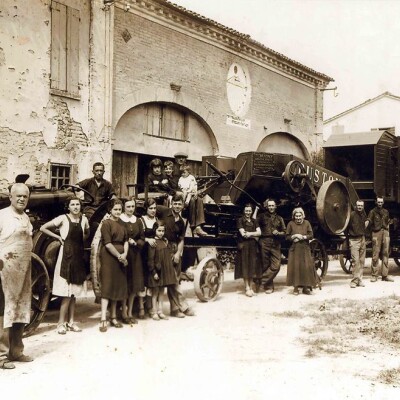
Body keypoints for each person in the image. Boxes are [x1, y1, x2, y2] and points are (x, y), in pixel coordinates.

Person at [40, 197, 90, 334]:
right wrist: (57, 238)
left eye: (78, 204)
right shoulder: (62, 218)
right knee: (66, 294)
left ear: (80, 206)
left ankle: (71, 322)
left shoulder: (84, 219)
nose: (75, 207)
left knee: (74, 294)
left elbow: (86, 233)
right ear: (68, 207)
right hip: (66, 258)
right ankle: (60, 324)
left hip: (78, 256)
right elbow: (43, 228)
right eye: (72, 205)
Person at [0, 183, 34, 370]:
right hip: (3, 273)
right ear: (10, 197)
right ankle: (1, 355)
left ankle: (16, 351)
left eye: (25, 196)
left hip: (23, 272)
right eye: (18, 196)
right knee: (4, 312)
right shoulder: (2, 216)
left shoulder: (26, 218)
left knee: (21, 310)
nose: (21, 199)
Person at [157, 194, 195, 318]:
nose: (177, 206)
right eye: (175, 203)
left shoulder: (181, 221)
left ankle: (174, 309)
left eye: (180, 204)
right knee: (172, 279)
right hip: (164, 247)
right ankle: (184, 306)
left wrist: (178, 253)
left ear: (183, 206)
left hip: (175, 249)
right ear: (171, 203)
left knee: (175, 279)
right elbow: (149, 208)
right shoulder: (163, 212)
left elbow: (181, 240)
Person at [98, 199, 129, 333]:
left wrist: (125, 254)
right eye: (115, 209)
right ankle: (103, 317)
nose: (118, 212)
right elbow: (108, 243)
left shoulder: (122, 224)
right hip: (110, 257)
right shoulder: (106, 224)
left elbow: (126, 241)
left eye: (119, 209)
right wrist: (119, 256)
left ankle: (114, 316)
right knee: (108, 286)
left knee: (117, 286)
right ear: (110, 210)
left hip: (121, 257)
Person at [120, 197, 145, 324]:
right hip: (123, 255)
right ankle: (123, 312)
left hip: (135, 255)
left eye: (132, 207)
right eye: (128, 206)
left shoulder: (138, 221)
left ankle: (130, 312)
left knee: (134, 285)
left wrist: (136, 242)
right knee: (125, 284)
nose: (130, 209)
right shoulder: (120, 220)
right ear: (124, 207)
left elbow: (142, 237)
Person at [147, 221, 178, 320]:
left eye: (163, 231)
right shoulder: (153, 243)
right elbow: (150, 259)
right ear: (155, 230)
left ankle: (160, 311)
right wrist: (154, 272)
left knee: (161, 291)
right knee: (155, 292)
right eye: (159, 231)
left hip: (164, 271)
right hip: (157, 271)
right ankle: (154, 311)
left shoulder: (165, 241)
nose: (161, 233)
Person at [172, 152, 207, 237]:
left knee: (198, 199)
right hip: (178, 194)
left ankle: (198, 226)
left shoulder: (187, 170)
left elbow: (193, 184)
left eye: (183, 158)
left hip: (188, 192)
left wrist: (194, 192)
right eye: (179, 158)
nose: (181, 159)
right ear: (176, 159)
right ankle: (193, 226)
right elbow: (174, 185)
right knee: (191, 200)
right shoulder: (173, 170)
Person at [256, 199, 286, 294]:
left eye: (273, 205)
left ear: (275, 206)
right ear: (267, 206)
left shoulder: (280, 218)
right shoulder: (261, 217)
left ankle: (260, 281)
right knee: (265, 265)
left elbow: (285, 232)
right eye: (269, 206)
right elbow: (254, 224)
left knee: (276, 265)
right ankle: (269, 287)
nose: (271, 207)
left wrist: (279, 232)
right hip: (264, 241)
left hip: (276, 243)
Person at [286, 207, 317, 295]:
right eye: (297, 216)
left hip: (305, 248)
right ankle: (295, 287)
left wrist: (302, 237)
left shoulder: (307, 223)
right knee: (296, 267)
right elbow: (287, 236)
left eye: (300, 216)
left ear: (303, 216)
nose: (298, 218)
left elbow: (311, 235)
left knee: (306, 267)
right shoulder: (290, 224)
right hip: (295, 249)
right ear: (294, 216)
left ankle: (306, 287)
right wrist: (293, 237)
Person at [235, 204, 261, 297]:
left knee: (252, 266)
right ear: (244, 211)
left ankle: (251, 287)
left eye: (249, 211)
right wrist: (254, 234)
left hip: (253, 246)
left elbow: (259, 233)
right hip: (244, 245)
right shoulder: (240, 220)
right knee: (245, 266)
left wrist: (250, 233)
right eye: (246, 211)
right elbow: (243, 234)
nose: (248, 213)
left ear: (251, 211)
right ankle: (247, 288)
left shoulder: (254, 221)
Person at [366, 196, 393, 282]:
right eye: (378, 202)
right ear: (376, 202)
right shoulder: (372, 212)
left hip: (385, 233)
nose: (380, 203)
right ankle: (374, 275)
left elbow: (388, 222)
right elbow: (369, 221)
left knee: (386, 254)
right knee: (375, 255)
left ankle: (385, 275)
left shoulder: (386, 212)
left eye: (381, 202)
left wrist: (387, 232)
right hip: (376, 233)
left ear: (383, 203)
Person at [348, 200, 367, 288]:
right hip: (354, 240)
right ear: (356, 206)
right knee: (355, 260)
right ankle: (354, 281)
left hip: (362, 239)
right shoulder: (351, 215)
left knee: (362, 261)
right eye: (358, 205)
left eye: (361, 206)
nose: (360, 207)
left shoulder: (363, 214)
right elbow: (346, 226)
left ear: (363, 206)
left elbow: (365, 225)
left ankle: (359, 280)